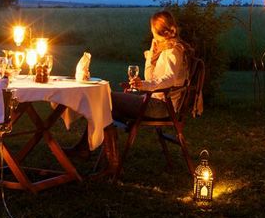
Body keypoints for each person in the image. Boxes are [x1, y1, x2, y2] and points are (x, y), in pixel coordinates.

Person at [68, 10, 191, 176]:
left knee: (106, 97)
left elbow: (168, 80)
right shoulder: (165, 49)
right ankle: (98, 156)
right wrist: (151, 55)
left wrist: (144, 85)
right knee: (106, 106)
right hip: (154, 102)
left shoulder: (173, 51)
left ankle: (93, 154)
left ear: (156, 30)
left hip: (160, 107)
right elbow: (151, 77)